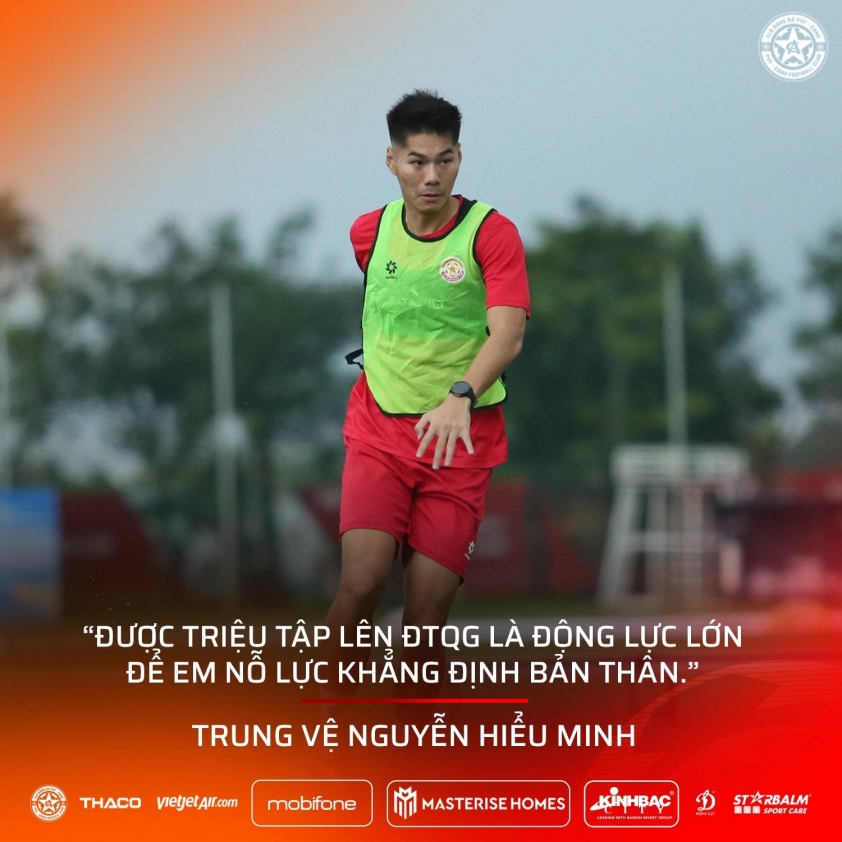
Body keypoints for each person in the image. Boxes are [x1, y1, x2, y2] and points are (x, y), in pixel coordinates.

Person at [323, 89, 530, 700]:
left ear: (460, 158)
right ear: (392, 160)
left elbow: (508, 334)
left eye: (445, 160)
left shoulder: (492, 234)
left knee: (424, 620)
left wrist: (460, 394)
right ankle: (324, 722)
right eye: (417, 161)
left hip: (460, 441)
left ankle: (412, 746)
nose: (432, 176)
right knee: (361, 584)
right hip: (379, 431)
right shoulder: (369, 233)